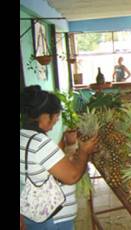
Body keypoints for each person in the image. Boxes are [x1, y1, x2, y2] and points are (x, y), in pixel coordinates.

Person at [20, 85, 99, 230]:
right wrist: (83, 152)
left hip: (32, 215)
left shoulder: (23, 136)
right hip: (51, 220)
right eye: (55, 115)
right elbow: (72, 176)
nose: (57, 119)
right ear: (43, 116)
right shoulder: (40, 143)